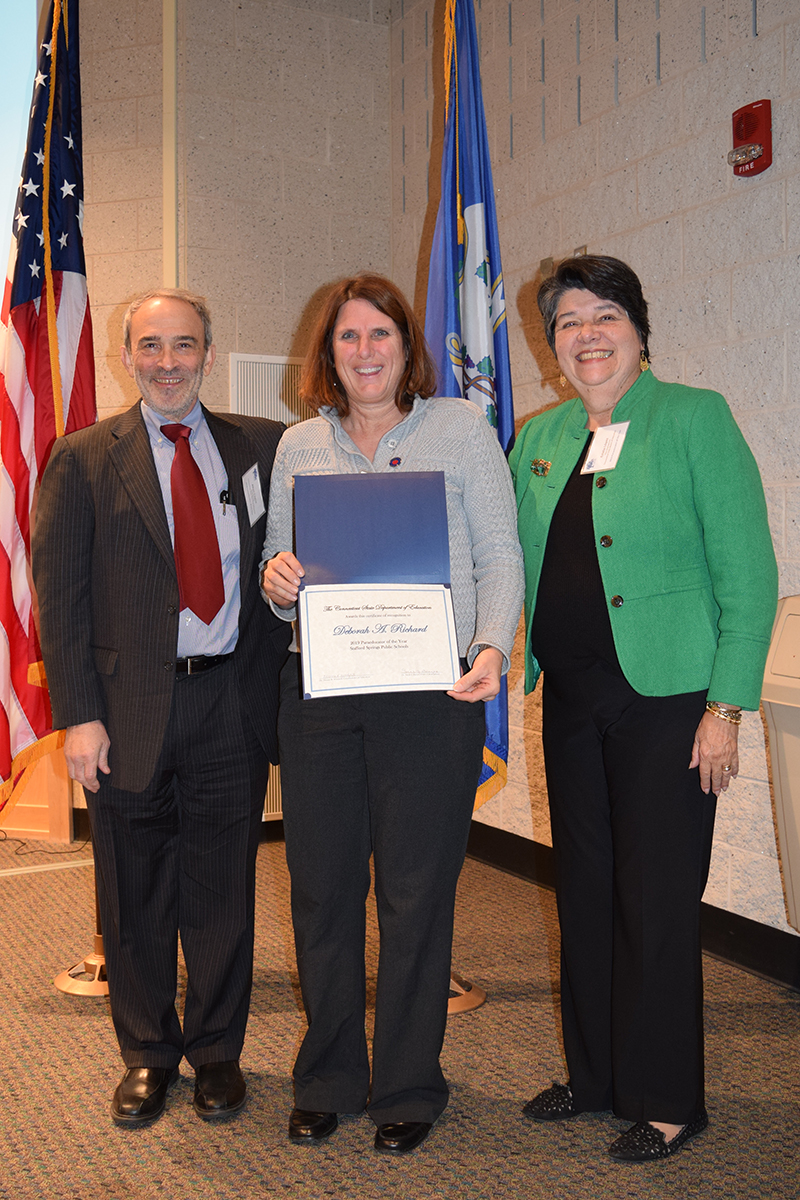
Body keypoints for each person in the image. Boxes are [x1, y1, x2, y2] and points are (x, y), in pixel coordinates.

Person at [509, 256, 778, 1162]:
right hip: (571, 701)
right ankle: (595, 1079)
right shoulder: (541, 435)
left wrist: (726, 708)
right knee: (585, 892)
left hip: (668, 704)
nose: (587, 334)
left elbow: (750, 576)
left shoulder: (694, 418)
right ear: (552, 345)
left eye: (605, 315)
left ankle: (667, 1100)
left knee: (655, 900)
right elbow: (505, 553)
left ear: (638, 329)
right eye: (568, 321)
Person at [261, 273, 524, 1155]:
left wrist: (491, 647)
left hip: (431, 696)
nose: (365, 350)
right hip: (323, 697)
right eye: (349, 336)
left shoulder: (459, 429)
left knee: (416, 894)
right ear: (328, 352)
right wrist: (277, 582)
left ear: (407, 346)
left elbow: (499, 553)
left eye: (381, 333)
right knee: (322, 891)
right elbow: (277, 573)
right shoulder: (300, 445)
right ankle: (328, 1077)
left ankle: (409, 1083)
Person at [32, 288, 291, 1127]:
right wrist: (78, 715)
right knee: (132, 890)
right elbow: (61, 599)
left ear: (209, 353)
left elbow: (289, 559)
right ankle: (146, 1053)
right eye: (151, 346)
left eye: (184, 345)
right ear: (127, 356)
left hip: (230, 701)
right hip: (123, 710)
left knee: (223, 889)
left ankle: (216, 1052)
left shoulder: (262, 447)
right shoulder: (82, 458)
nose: (168, 362)